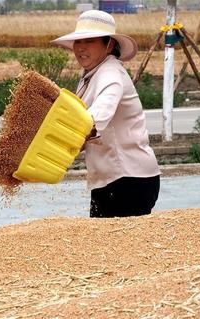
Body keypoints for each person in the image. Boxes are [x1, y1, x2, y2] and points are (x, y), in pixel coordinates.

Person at [52, 10, 160, 218]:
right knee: (104, 246)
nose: (81, 48)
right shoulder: (91, 75)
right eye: (78, 42)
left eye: (89, 41)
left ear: (109, 44)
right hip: (109, 179)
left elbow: (94, 118)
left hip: (129, 179)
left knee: (118, 246)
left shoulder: (110, 74)